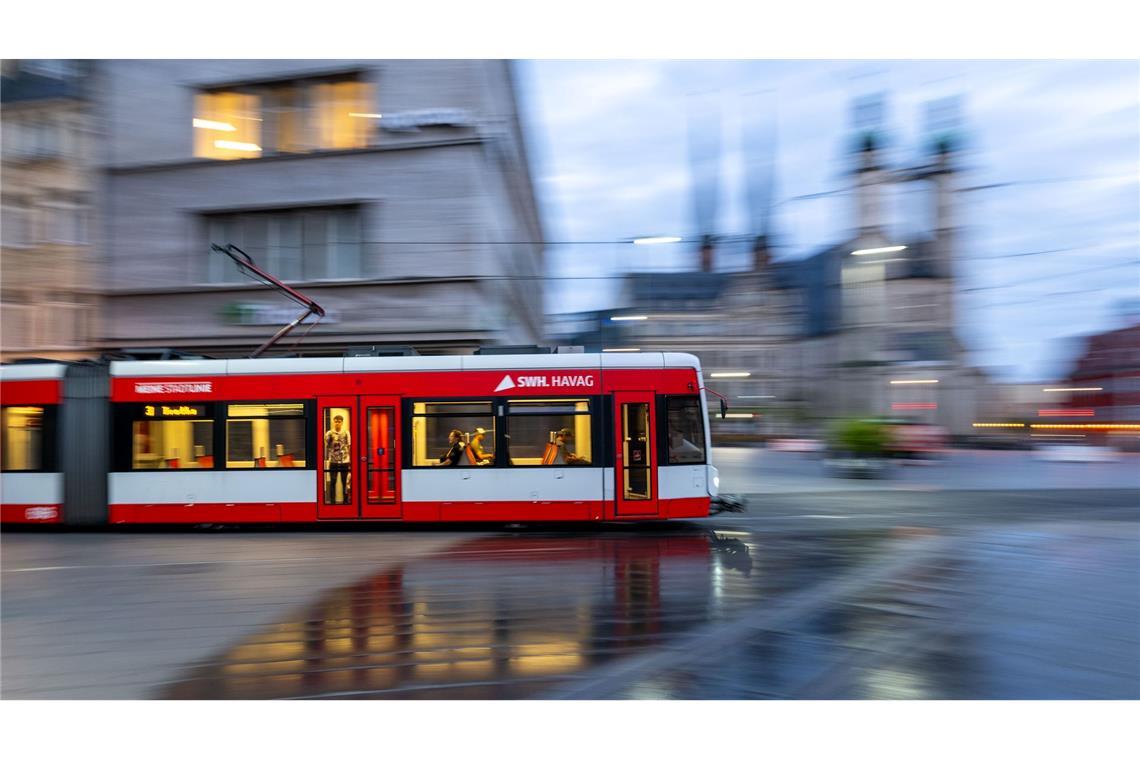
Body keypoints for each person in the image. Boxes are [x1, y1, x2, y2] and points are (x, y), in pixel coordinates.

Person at [325, 414, 351, 503]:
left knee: (345, 482)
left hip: (345, 461)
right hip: (333, 461)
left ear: (342, 422)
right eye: (335, 421)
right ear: (333, 422)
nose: (337, 423)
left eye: (339, 422)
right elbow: (326, 446)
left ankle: (345, 501)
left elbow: (349, 446)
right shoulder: (329, 433)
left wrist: (350, 461)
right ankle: (332, 502)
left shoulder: (346, 433)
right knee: (333, 482)